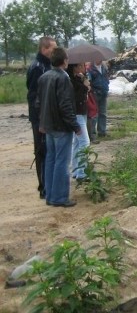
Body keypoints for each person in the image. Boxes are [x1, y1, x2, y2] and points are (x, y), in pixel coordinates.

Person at [37, 47, 81, 207]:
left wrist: (42, 123)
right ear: (65, 60)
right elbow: (65, 105)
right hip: (61, 127)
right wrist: (75, 126)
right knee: (62, 162)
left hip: (48, 126)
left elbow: (39, 103)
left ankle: (49, 195)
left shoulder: (44, 77)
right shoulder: (63, 78)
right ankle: (60, 197)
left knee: (50, 160)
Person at [26, 36, 57, 199]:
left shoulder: (47, 65)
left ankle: (48, 183)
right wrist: (40, 120)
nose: (55, 51)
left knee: (49, 151)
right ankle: (43, 187)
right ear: (44, 49)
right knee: (42, 151)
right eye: (53, 48)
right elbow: (34, 97)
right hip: (40, 118)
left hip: (47, 116)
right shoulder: (37, 68)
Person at [67, 63, 91, 182]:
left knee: (76, 142)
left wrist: (84, 81)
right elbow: (75, 97)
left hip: (81, 112)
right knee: (84, 142)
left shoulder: (78, 78)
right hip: (77, 114)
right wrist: (85, 86)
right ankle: (82, 172)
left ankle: (76, 170)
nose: (84, 68)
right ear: (75, 67)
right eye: (81, 65)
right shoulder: (71, 81)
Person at [88, 59, 110, 138]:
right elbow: (89, 81)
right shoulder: (90, 69)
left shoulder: (104, 67)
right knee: (93, 114)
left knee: (103, 113)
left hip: (103, 92)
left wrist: (107, 84)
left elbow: (106, 78)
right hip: (95, 93)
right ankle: (92, 134)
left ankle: (102, 132)